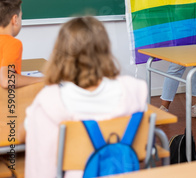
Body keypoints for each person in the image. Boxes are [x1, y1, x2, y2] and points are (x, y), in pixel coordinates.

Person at [24, 17, 148, 178]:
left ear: (61, 54)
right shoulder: (133, 90)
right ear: (105, 51)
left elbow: (41, 168)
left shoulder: (50, 102)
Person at [0, 0, 43, 89]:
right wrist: (43, 79)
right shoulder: (12, 43)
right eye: (20, 17)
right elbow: (7, 80)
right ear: (15, 19)